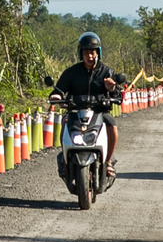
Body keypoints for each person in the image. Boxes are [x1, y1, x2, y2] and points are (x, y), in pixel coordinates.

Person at [49, 32, 127, 176]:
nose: (90, 56)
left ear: (98, 53)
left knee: (113, 126)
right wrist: (56, 96)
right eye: (86, 53)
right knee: (65, 123)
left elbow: (118, 96)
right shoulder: (71, 72)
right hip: (75, 111)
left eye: (93, 52)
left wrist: (112, 89)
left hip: (100, 111)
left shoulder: (107, 72)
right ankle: (66, 159)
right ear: (80, 54)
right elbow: (58, 90)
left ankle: (108, 161)